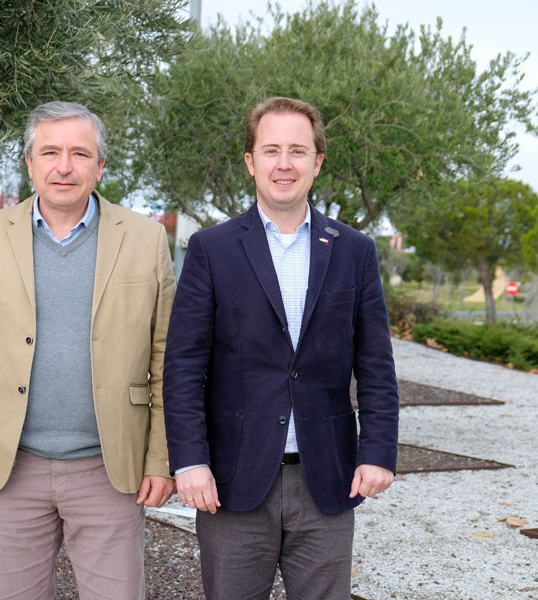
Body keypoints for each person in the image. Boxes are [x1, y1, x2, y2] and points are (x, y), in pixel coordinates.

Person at [0, 101, 176, 599]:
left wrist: (161, 459)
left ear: (100, 166)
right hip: (9, 469)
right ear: (29, 162)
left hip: (111, 471)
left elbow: (168, 361)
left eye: (80, 153)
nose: (64, 166)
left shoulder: (146, 240)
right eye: (51, 152)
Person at [163, 97, 399, 599]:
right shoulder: (212, 249)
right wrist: (189, 461)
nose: (284, 164)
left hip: (329, 481)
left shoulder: (355, 250)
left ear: (317, 162)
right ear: (251, 162)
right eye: (271, 150)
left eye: (298, 150)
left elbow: (376, 365)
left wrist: (378, 452)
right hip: (231, 482)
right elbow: (184, 367)